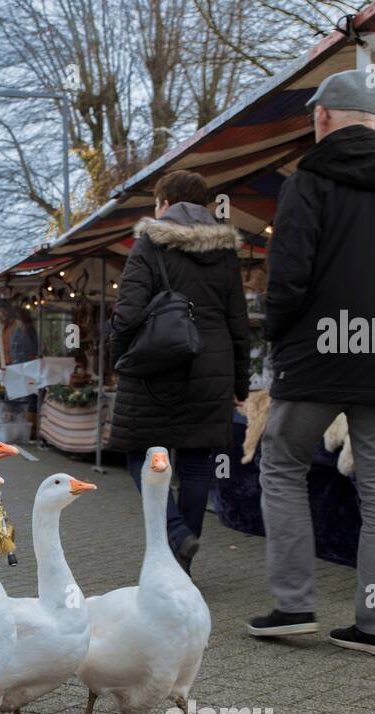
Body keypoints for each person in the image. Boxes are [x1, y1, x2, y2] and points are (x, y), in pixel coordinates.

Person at [249, 69, 375, 657]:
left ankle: (292, 606)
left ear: (322, 118)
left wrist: (281, 338)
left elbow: (287, 277)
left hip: (315, 358)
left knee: (283, 467)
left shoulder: (307, 183)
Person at [107, 169, 250, 575]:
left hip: (156, 367)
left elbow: (128, 314)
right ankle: (180, 564)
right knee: (197, 461)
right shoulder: (225, 252)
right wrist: (239, 383)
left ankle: (174, 530)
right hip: (213, 367)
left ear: (164, 204)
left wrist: (121, 358)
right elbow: (239, 324)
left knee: (141, 455)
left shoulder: (148, 244)